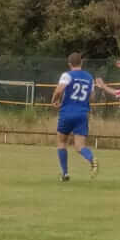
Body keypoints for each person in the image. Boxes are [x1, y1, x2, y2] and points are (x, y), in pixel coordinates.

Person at [50, 53, 98, 181]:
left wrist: (54, 100)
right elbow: (92, 97)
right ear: (81, 63)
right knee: (80, 146)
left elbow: (59, 90)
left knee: (61, 142)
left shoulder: (67, 75)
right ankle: (92, 159)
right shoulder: (89, 77)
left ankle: (65, 174)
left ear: (69, 64)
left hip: (67, 113)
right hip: (82, 114)